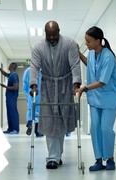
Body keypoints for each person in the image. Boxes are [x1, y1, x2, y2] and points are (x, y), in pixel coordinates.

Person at [29, 20, 81, 169]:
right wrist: (34, 84)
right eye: (48, 35)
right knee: (49, 121)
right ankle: (52, 157)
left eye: (54, 34)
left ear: (59, 31)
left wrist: (76, 83)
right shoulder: (38, 47)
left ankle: (57, 155)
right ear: (45, 33)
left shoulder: (69, 44)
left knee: (62, 121)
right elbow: (34, 66)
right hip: (47, 87)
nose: (51, 38)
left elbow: (75, 65)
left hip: (65, 85)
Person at [76, 26, 116, 171]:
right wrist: (77, 53)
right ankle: (98, 160)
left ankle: (110, 159)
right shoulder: (91, 54)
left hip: (109, 99)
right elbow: (90, 65)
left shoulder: (108, 56)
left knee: (105, 129)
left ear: (98, 40)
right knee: (95, 128)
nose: (87, 44)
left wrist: (85, 88)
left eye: (88, 41)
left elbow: (103, 81)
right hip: (95, 99)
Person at [0, 62, 20, 134]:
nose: (8, 66)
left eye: (9, 65)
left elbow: (15, 87)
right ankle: (10, 129)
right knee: (9, 113)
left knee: (13, 113)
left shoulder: (14, 75)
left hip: (12, 97)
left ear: (11, 67)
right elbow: (5, 74)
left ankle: (15, 129)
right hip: (9, 97)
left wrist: (5, 86)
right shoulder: (11, 75)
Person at [23, 66, 43, 137]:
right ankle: (38, 131)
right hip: (40, 93)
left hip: (30, 92)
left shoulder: (27, 70)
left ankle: (29, 123)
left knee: (30, 109)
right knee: (38, 110)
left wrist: (27, 92)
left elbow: (24, 83)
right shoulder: (41, 71)